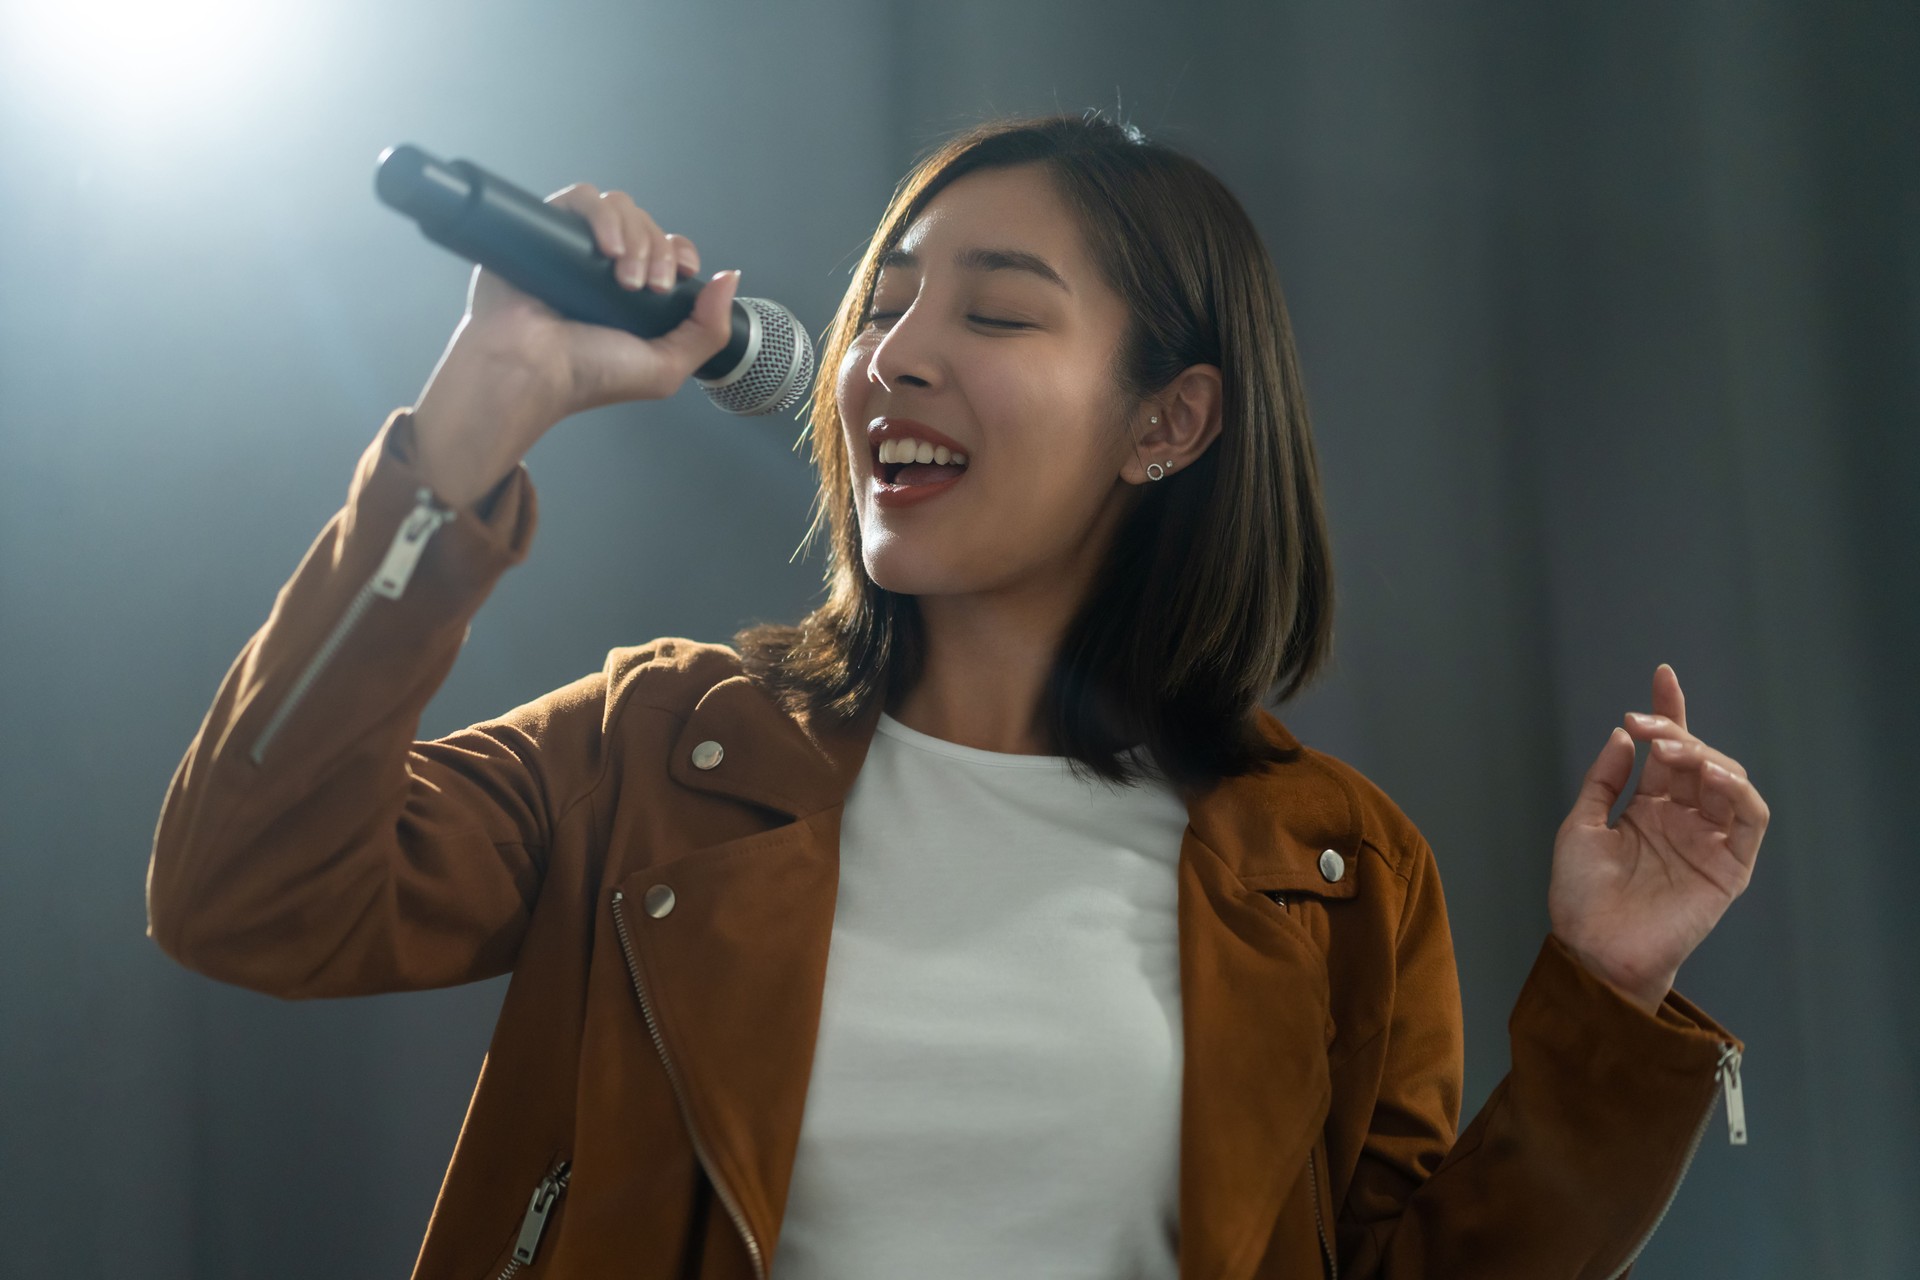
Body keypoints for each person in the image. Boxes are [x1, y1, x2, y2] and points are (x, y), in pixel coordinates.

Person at [147, 114, 1769, 1280]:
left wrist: (1608, 1007)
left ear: (1172, 422)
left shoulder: (1335, 868)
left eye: (993, 312)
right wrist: (482, 407)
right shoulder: (659, 749)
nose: (890, 360)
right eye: (885, 303)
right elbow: (247, 897)